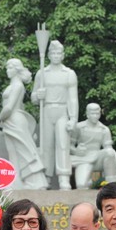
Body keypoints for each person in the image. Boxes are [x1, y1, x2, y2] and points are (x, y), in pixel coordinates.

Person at [32, 40, 79, 190]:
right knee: (46, 145)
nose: (56, 55)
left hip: (62, 111)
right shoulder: (42, 73)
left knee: (63, 144)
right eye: (53, 53)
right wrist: (38, 95)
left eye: (59, 53)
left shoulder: (69, 74)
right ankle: (45, 177)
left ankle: (64, 178)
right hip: (46, 110)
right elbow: (33, 97)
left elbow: (73, 98)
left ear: (63, 55)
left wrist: (73, 118)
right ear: (49, 55)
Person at [0, 58, 49, 189]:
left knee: (25, 151)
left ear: (17, 69)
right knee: (12, 152)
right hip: (9, 121)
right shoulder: (12, 85)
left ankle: (37, 182)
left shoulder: (18, 86)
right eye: (7, 68)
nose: (7, 70)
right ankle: (15, 182)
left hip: (14, 119)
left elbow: (9, 107)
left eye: (10, 68)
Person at [70, 103, 116, 189]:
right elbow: (69, 146)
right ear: (87, 114)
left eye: (97, 114)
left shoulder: (104, 129)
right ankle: (88, 181)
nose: (95, 116)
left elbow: (108, 147)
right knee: (81, 185)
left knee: (110, 153)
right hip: (83, 159)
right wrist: (76, 151)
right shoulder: (79, 127)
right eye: (93, 113)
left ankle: (112, 186)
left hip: (98, 158)